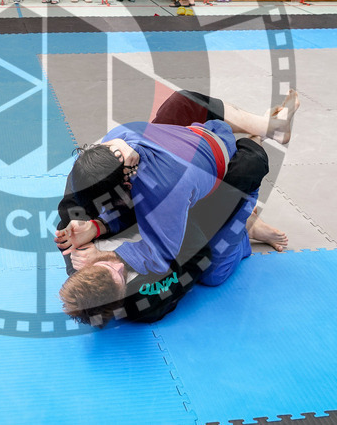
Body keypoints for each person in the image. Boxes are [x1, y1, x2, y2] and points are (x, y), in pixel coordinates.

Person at [55, 89, 298, 324]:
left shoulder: (79, 229)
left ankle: (264, 129)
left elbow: (88, 201)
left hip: (184, 174)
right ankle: (246, 224)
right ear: (120, 299)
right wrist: (111, 246)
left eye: (108, 267)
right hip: (185, 217)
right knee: (214, 273)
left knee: (183, 102)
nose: (119, 268)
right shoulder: (144, 303)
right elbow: (195, 255)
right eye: (120, 275)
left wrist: (96, 227)